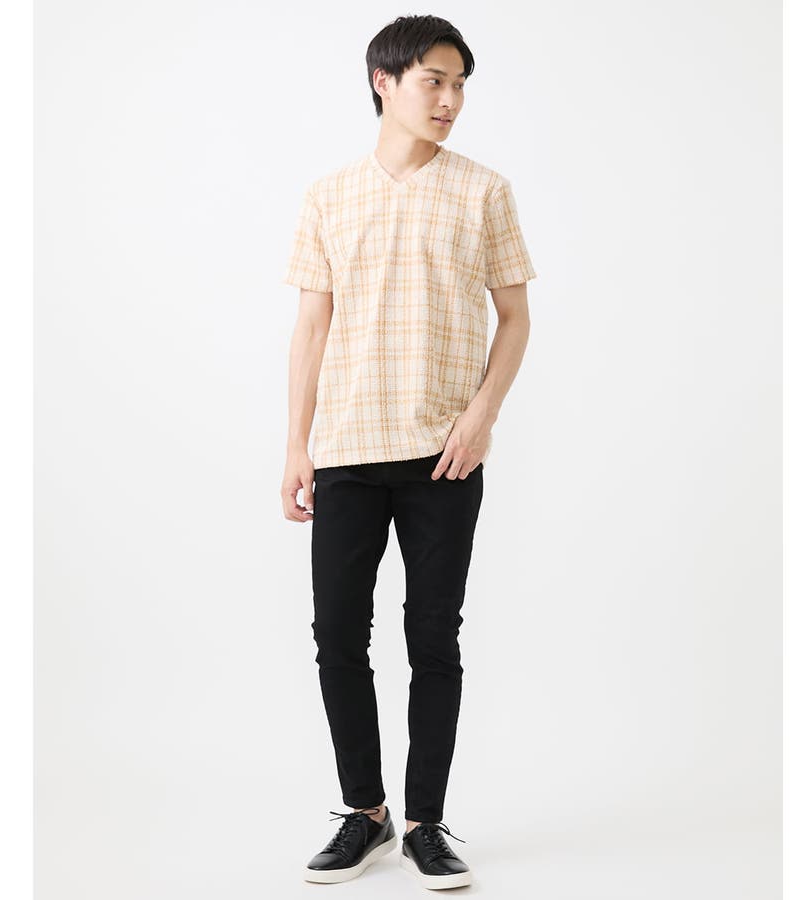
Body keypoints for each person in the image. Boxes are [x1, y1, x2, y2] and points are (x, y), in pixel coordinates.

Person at [280, 14, 536, 890]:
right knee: (336, 637)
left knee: (433, 638)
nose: (450, 99)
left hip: (443, 456)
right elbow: (310, 328)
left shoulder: (483, 191)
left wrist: (482, 416)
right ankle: (366, 813)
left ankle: (426, 820)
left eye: (460, 84)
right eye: (434, 80)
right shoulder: (328, 196)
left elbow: (516, 318)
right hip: (348, 451)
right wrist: (296, 446)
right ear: (383, 81)